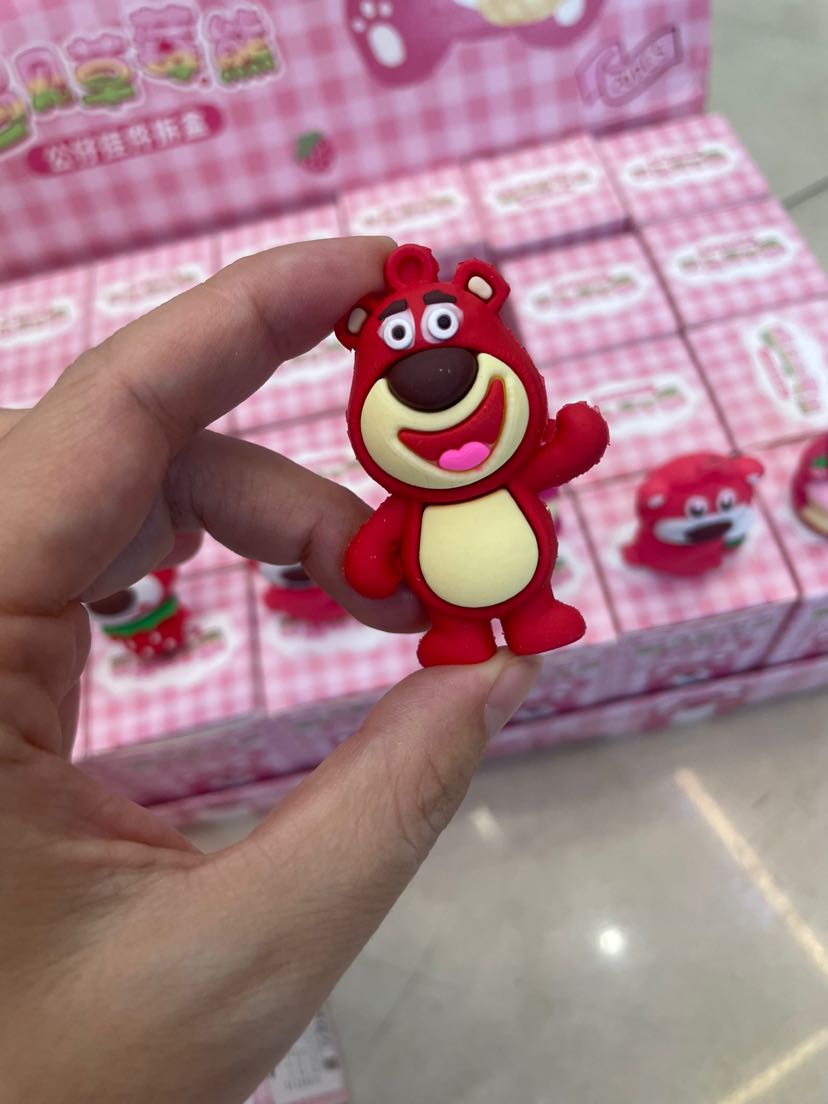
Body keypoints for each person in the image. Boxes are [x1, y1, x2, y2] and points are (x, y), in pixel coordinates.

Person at [0, 237, 538, 1103]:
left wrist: (564, 441)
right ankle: (480, 633)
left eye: (450, 341)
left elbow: (551, 449)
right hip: (447, 588)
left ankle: (526, 618)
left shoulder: (501, 437)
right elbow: (378, 547)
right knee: (450, 631)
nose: (435, 382)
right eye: (403, 359)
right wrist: (371, 564)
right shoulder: (406, 494)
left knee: (520, 612)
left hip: (511, 563)